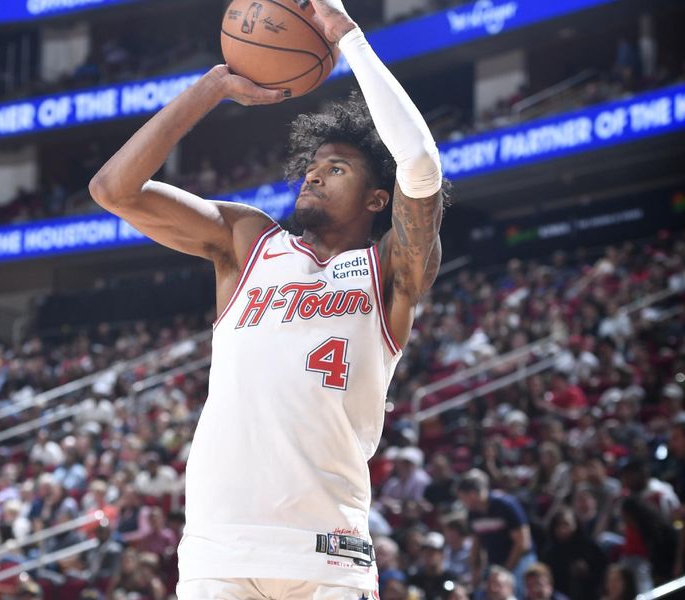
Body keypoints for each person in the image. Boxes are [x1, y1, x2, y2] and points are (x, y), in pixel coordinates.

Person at [88, 0, 445, 597]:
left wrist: (348, 38)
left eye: (335, 169)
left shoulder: (390, 270)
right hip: (219, 549)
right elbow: (113, 190)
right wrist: (211, 89)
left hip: (331, 552)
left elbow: (420, 165)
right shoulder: (247, 241)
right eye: (312, 165)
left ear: (377, 200)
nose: (312, 174)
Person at [456, 469, 535, 598]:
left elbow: (523, 542)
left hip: (520, 560)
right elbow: (477, 544)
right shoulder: (473, 514)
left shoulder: (505, 505)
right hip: (495, 563)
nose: (462, 502)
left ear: (472, 494)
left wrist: (507, 570)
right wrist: (475, 572)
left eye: (462, 498)